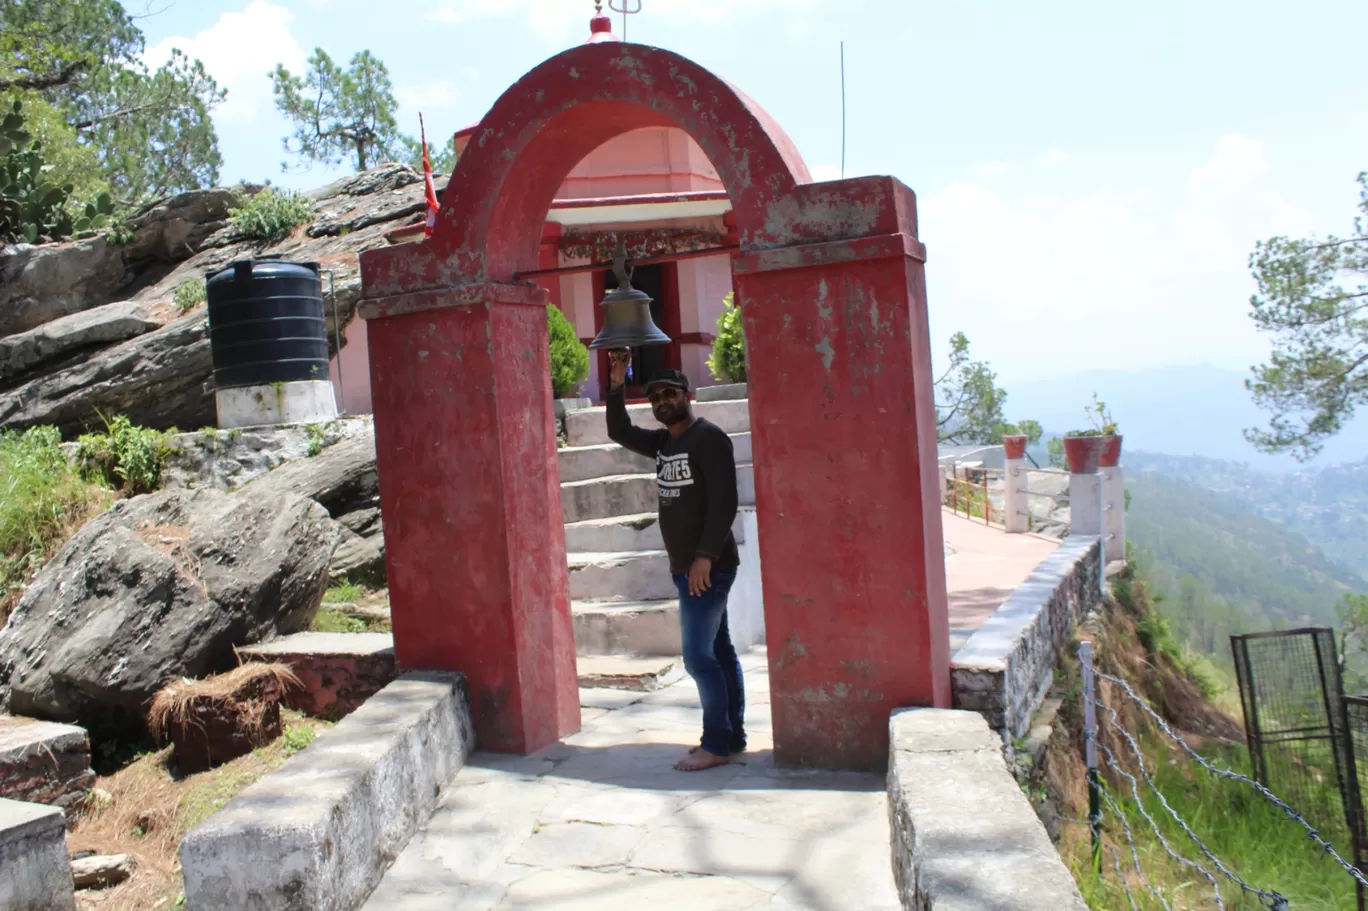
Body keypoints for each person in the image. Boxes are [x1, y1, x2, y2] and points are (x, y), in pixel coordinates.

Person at [605, 349, 744, 771]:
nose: (662, 401)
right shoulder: (664, 442)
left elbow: (724, 502)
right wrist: (616, 380)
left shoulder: (709, 438)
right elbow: (618, 429)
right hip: (687, 567)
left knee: (697, 658)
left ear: (687, 394)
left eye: (669, 393)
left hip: (709, 567)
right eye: (655, 399)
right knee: (719, 651)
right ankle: (730, 735)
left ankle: (716, 744)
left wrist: (703, 558)